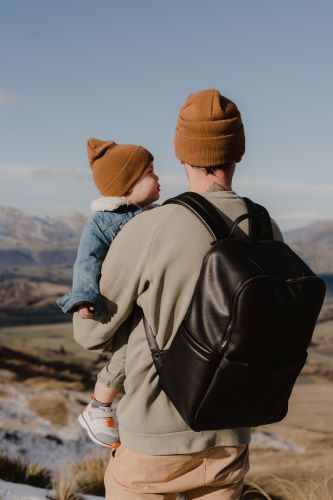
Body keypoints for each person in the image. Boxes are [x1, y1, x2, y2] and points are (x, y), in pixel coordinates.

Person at [73, 89, 284, 499]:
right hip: (230, 435)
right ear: (237, 153)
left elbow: (90, 335)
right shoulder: (263, 225)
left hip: (154, 440)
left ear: (181, 153)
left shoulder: (151, 228)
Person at [57, 138, 160, 448]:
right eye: (150, 172)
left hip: (142, 303)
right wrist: (84, 296)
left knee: (147, 352)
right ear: (128, 182)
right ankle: (98, 406)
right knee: (134, 349)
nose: (158, 178)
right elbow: (86, 260)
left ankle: (129, 411)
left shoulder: (153, 216)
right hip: (116, 308)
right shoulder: (103, 223)